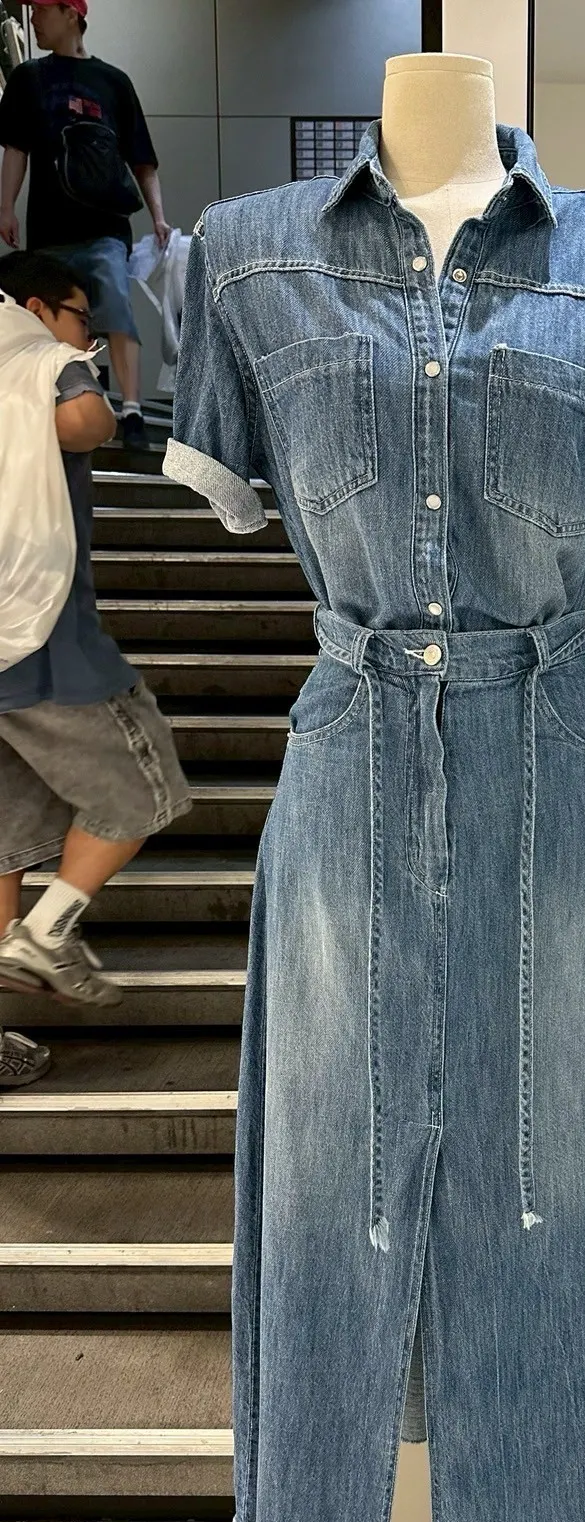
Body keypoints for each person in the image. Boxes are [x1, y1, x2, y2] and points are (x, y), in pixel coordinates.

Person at [0, 250, 190, 1081]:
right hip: (40, 636)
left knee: (4, 843)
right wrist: (64, 369)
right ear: (38, 308)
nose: (89, 334)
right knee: (145, 789)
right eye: (82, 316)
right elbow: (87, 423)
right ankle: (49, 932)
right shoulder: (40, 359)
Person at [0, 0, 170, 450]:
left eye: (42, 10)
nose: (33, 19)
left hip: (105, 227)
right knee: (46, 318)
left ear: (70, 13)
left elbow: (142, 159)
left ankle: (131, 411)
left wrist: (158, 217)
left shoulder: (113, 82)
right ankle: (57, 400)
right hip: (49, 227)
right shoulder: (28, 78)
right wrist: (5, 207)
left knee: (115, 304)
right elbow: (16, 149)